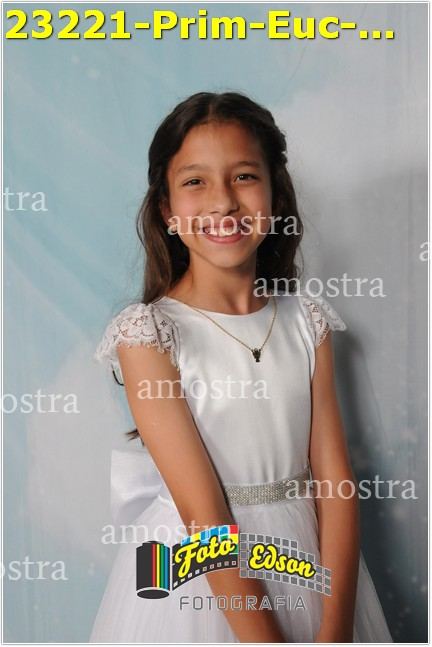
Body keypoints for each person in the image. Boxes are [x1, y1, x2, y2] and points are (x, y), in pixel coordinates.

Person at [90, 91, 393, 643]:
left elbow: (335, 483)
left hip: (308, 562)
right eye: (195, 181)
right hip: (199, 571)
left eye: (245, 176)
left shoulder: (307, 322)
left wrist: (335, 631)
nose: (224, 202)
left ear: (276, 195)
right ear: (166, 210)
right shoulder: (149, 333)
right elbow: (200, 511)